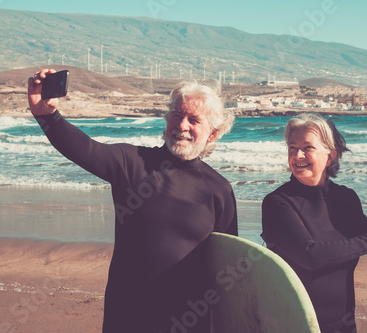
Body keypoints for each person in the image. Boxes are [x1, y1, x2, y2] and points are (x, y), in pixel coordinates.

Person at [27, 69, 238, 332]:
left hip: (190, 320)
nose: (182, 126)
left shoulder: (219, 189)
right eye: (176, 116)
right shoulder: (133, 164)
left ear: (212, 134)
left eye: (194, 120)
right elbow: (83, 149)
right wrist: (47, 115)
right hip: (129, 318)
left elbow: (227, 265)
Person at [261, 113, 367, 333]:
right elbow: (310, 255)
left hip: (343, 325)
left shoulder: (346, 199)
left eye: (307, 148)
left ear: (330, 156)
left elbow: (364, 240)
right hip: (291, 323)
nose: (297, 155)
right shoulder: (277, 203)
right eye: (292, 148)